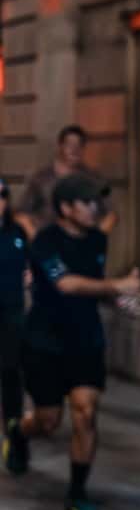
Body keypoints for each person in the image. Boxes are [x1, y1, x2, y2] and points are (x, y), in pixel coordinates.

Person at [13, 173, 140, 510]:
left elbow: (93, 286)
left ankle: (77, 493)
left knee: (86, 412)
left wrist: (120, 300)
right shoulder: (45, 241)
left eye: (96, 201)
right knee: (48, 421)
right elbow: (66, 284)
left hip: (85, 340)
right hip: (44, 343)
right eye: (87, 202)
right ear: (66, 208)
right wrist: (117, 286)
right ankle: (19, 431)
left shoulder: (97, 240)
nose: (95, 208)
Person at [15, 124, 116, 238]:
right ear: (60, 146)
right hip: (48, 240)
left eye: (79, 145)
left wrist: (95, 241)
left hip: (81, 242)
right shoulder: (41, 178)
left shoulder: (95, 179)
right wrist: (37, 241)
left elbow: (111, 214)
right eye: (70, 144)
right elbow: (21, 215)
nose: (74, 149)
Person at [0, 175, 30, 474]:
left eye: (1, 195)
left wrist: (32, 274)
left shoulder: (17, 232)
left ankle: (14, 437)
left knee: (11, 375)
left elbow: (35, 261)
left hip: (11, 312)